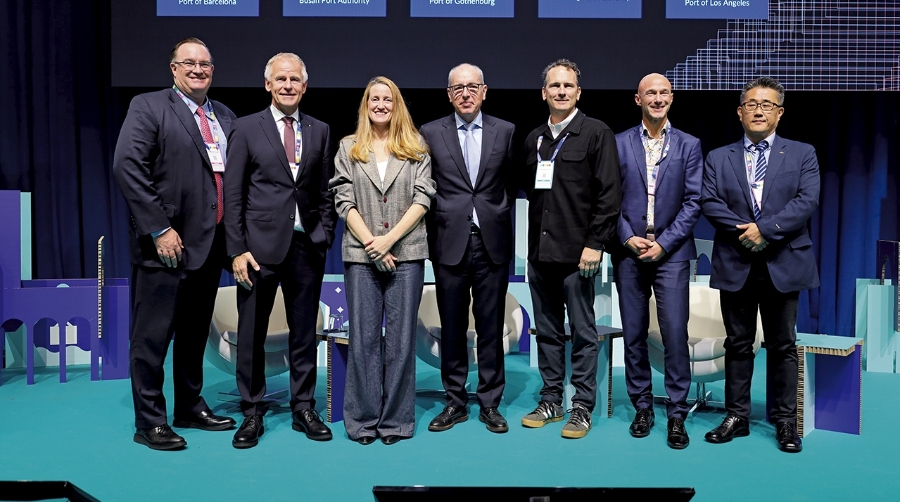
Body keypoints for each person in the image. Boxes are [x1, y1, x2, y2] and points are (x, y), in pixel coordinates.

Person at [113, 37, 237, 450]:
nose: (198, 69)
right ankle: (150, 420)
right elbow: (128, 166)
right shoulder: (148, 107)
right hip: (166, 245)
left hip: (209, 246)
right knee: (151, 338)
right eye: (189, 63)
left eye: (205, 63)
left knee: (193, 335)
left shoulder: (225, 116)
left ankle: (189, 406)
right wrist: (159, 228)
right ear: (173, 69)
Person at [223, 53, 337, 449]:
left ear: (304, 86)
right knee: (252, 334)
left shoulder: (320, 129)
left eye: (295, 80)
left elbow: (324, 191)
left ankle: (303, 406)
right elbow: (233, 194)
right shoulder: (245, 127)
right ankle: (252, 411)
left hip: (307, 249)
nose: (288, 85)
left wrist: (325, 235)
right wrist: (236, 249)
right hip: (256, 252)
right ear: (268, 85)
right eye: (281, 79)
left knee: (304, 333)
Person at [701, 76, 820, 453]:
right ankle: (737, 416)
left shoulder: (802, 153)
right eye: (751, 104)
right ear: (739, 112)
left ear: (779, 113)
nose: (758, 110)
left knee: (782, 345)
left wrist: (765, 230)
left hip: (784, 260)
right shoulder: (718, 157)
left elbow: (807, 200)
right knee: (737, 344)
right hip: (736, 261)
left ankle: (785, 421)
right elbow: (709, 201)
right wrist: (747, 232)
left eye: (767, 105)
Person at [329, 76, 436, 445]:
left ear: (396, 104)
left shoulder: (416, 146)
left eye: (387, 99)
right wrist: (372, 243)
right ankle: (361, 421)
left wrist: (388, 240)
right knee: (363, 340)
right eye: (374, 99)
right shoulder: (348, 147)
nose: (380, 105)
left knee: (402, 342)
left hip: (407, 253)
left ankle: (396, 423)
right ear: (365, 104)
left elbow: (423, 198)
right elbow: (343, 199)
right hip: (361, 255)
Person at [520, 59, 622, 439]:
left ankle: (581, 406)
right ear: (543, 92)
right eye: (554, 86)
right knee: (546, 333)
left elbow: (609, 196)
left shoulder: (596, 133)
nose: (561, 91)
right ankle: (550, 399)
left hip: (579, 258)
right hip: (539, 256)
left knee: (582, 332)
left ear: (578, 92)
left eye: (568, 86)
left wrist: (595, 245)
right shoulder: (534, 139)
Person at [419, 64, 516, 434]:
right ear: (448, 94)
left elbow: (510, 183)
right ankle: (455, 401)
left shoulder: (504, 131)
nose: (465, 93)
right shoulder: (430, 132)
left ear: (484, 91)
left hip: (491, 243)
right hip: (449, 244)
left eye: (472, 86)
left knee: (491, 327)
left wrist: (496, 212)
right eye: (458, 88)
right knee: (453, 328)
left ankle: (490, 403)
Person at [613, 73, 703, 449]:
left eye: (664, 92)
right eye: (650, 92)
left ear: (672, 98)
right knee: (633, 335)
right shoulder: (618, 144)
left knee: (674, 335)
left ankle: (677, 413)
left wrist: (664, 244)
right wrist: (625, 236)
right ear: (638, 99)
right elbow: (607, 199)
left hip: (672, 255)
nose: (658, 98)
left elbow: (694, 201)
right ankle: (643, 407)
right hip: (630, 252)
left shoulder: (690, 145)